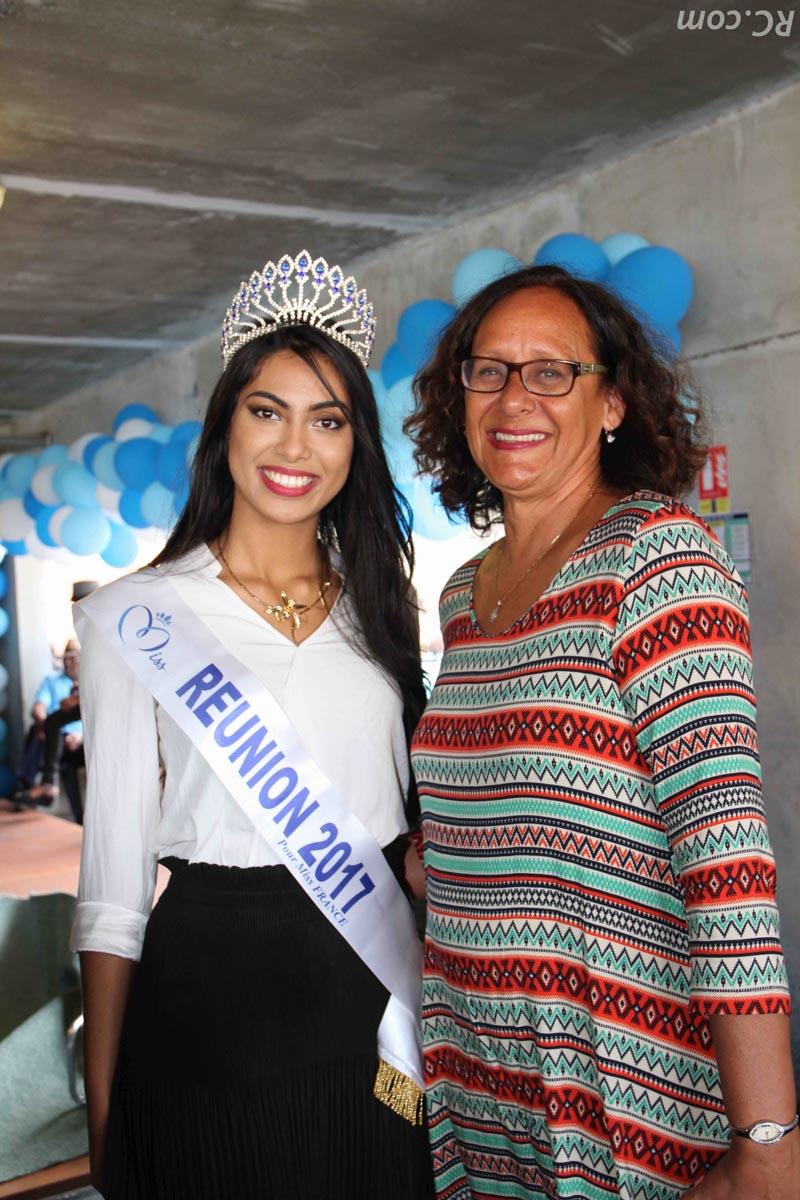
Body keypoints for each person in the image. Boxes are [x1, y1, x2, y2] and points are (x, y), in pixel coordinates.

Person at [405, 264, 797, 1200]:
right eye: (488, 370)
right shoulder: (465, 591)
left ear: (613, 401)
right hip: (480, 1067)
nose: (514, 397)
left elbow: (726, 865)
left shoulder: (655, 557)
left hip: (621, 1080)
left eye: (552, 372)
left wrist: (770, 1144)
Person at [70, 251, 435, 1199]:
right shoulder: (137, 616)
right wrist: (104, 1108)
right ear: (225, 422)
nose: (294, 447)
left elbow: (411, 822)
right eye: (266, 410)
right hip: (207, 998)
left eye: (328, 420)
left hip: (369, 998)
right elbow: (111, 887)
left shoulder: (381, 607)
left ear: (356, 443)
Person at [15, 639, 84, 820]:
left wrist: (81, 736)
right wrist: (42, 723)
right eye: (67, 659)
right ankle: (41, 786)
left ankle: (39, 785)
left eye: (74, 659)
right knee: (42, 729)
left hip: (82, 742)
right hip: (52, 741)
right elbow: (42, 707)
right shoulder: (52, 681)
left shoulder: (90, 682)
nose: (70, 663)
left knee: (52, 726)